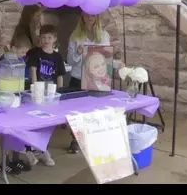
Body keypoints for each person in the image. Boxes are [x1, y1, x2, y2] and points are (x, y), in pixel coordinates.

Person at [66, 12, 125, 154]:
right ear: (82, 16)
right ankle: (76, 139)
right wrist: (78, 53)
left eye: (93, 15)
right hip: (78, 77)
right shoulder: (75, 36)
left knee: (96, 110)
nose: (90, 17)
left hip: (96, 79)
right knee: (77, 112)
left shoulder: (104, 35)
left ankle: (95, 139)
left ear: (97, 16)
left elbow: (105, 58)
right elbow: (70, 61)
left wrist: (117, 65)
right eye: (87, 15)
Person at [26, 24, 66, 167]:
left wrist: (60, 93)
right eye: (43, 37)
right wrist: (35, 90)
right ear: (40, 39)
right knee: (34, 122)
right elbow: (33, 71)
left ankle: (43, 148)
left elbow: (60, 75)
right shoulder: (36, 53)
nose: (46, 40)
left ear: (54, 39)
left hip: (51, 95)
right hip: (38, 93)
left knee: (48, 124)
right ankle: (30, 149)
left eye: (49, 37)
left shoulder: (57, 56)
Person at [0, 35, 33, 174]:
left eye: (25, 52)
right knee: (8, 132)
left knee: (18, 131)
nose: (24, 55)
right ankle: (5, 160)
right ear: (13, 48)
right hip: (6, 98)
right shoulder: (4, 61)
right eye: (22, 52)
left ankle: (16, 158)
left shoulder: (21, 61)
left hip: (18, 97)